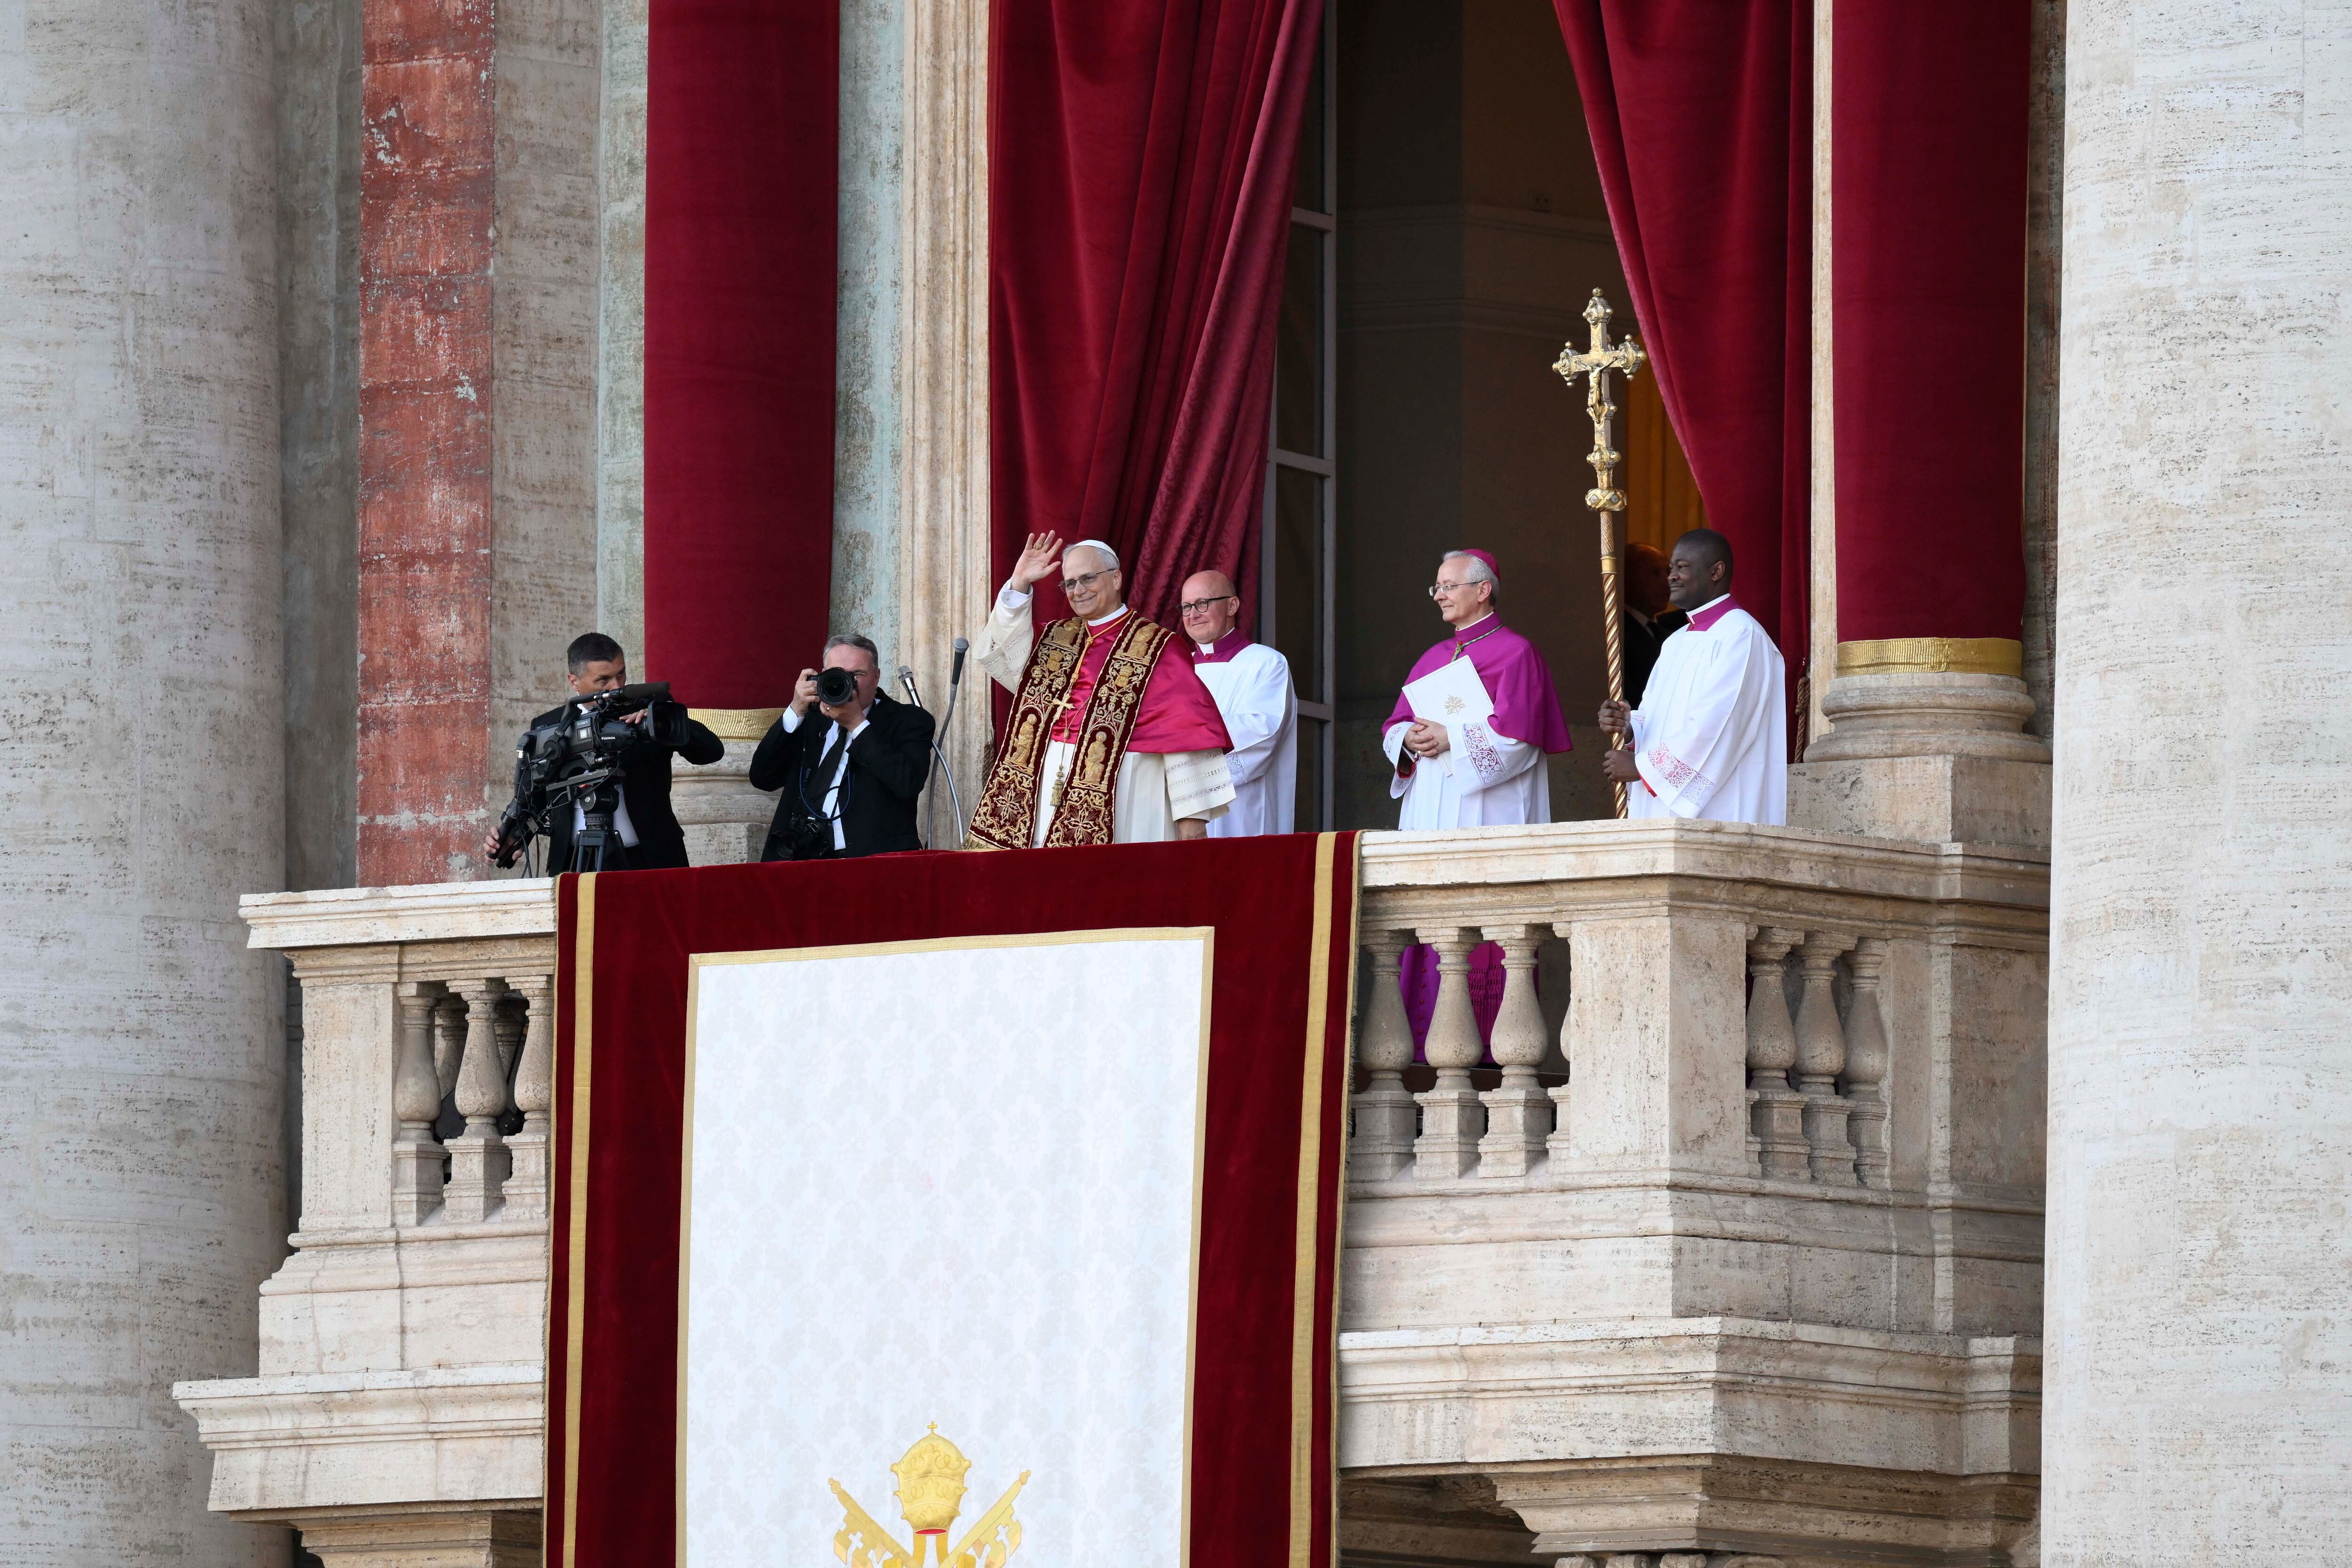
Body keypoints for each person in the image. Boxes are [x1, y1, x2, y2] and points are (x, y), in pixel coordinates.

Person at [966, 533, 1234, 848]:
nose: (1078, 591)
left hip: (1127, 792)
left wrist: (1192, 819)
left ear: (1117, 578)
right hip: (1042, 793)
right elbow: (1001, 656)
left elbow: (1186, 735)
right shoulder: (1055, 639)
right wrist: (1020, 584)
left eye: (1088, 578)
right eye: (1069, 584)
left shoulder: (1159, 647)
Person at [484, 631, 724, 871]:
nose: (617, 686)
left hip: (652, 860)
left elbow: (711, 752)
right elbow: (535, 798)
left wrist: (660, 721)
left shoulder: (650, 705)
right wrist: (515, 839)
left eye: (621, 674)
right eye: (604, 679)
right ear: (574, 680)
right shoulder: (549, 726)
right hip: (575, 864)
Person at [1597, 527, 1786, 824]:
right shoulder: (1676, 640)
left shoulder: (1742, 636)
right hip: (1661, 806)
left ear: (1716, 571)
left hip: (1719, 809)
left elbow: (1719, 725)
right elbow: (1655, 716)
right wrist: (1629, 726)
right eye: (1671, 568)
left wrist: (1643, 769)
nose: (1672, 576)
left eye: (1682, 567)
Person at [1383, 549, 1573, 829]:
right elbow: (1396, 723)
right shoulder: (1432, 657)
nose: (1438, 596)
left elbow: (1519, 740)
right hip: (1428, 798)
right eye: (1436, 588)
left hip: (1490, 807)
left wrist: (1451, 738)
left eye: (1448, 587)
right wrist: (1408, 739)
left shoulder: (1517, 652)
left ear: (1483, 590)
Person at [749, 633, 935, 860]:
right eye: (836, 674)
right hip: (800, 860)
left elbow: (908, 783)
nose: (848, 682)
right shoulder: (810, 718)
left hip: (871, 864)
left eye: (857, 674)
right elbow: (762, 778)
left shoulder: (908, 720)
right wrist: (796, 709)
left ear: (876, 677)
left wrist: (858, 725)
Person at [1178, 569, 1297, 837]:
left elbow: (1264, 731)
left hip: (1243, 811)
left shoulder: (1266, 662)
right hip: (1179, 807)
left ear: (1232, 605)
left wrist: (1184, 735)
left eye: (1203, 604)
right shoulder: (1174, 670)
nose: (1193, 615)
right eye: (1186, 607)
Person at [1621, 540, 1684, 706]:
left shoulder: (1666, 631)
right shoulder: (1619, 633)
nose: (1667, 582)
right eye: (1655, 573)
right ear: (1627, 578)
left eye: (1667, 573)